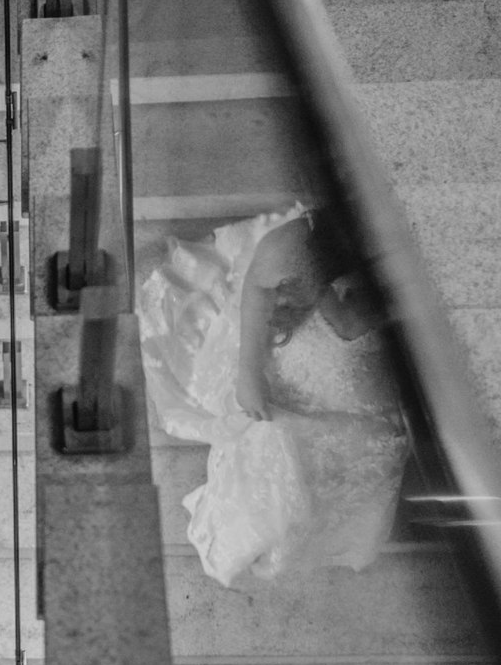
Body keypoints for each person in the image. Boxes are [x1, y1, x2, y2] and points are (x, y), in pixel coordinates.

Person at [138, 202, 409, 587]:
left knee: (367, 450)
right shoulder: (297, 244)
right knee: (273, 443)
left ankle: (324, 534)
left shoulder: (412, 261)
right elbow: (259, 289)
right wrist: (249, 371)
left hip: (358, 369)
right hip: (295, 344)